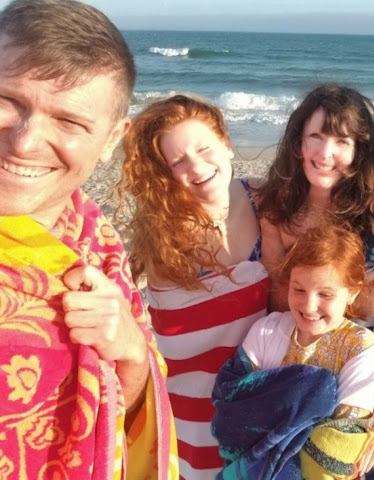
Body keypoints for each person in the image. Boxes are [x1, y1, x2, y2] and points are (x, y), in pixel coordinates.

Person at [0, 0, 177, 478]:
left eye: (69, 121)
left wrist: (132, 352)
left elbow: (132, 420)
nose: (25, 141)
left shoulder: (96, 241)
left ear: (111, 140)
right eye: (8, 100)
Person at [257, 83, 374, 472]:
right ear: (299, 142)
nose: (326, 153)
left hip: (368, 375)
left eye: (342, 141)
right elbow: (278, 302)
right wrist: (355, 303)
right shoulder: (278, 209)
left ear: (359, 150)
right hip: (299, 373)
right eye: (316, 136)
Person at [117, 94, 269, 479]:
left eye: (204, 149)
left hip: (264, 404)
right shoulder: (164, 236)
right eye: (178, 161)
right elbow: (175, 339)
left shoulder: (264, 200)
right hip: (195, 412)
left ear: (227, 144)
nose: (197, 167)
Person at [212, 223, 374, 478]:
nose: (309, 305)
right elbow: (227, 416)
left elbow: (339, 448)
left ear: (352, 292)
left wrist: (274, 414)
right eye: (299, 289)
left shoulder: (360, 349)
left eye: (325, 294)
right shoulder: (267, 331)